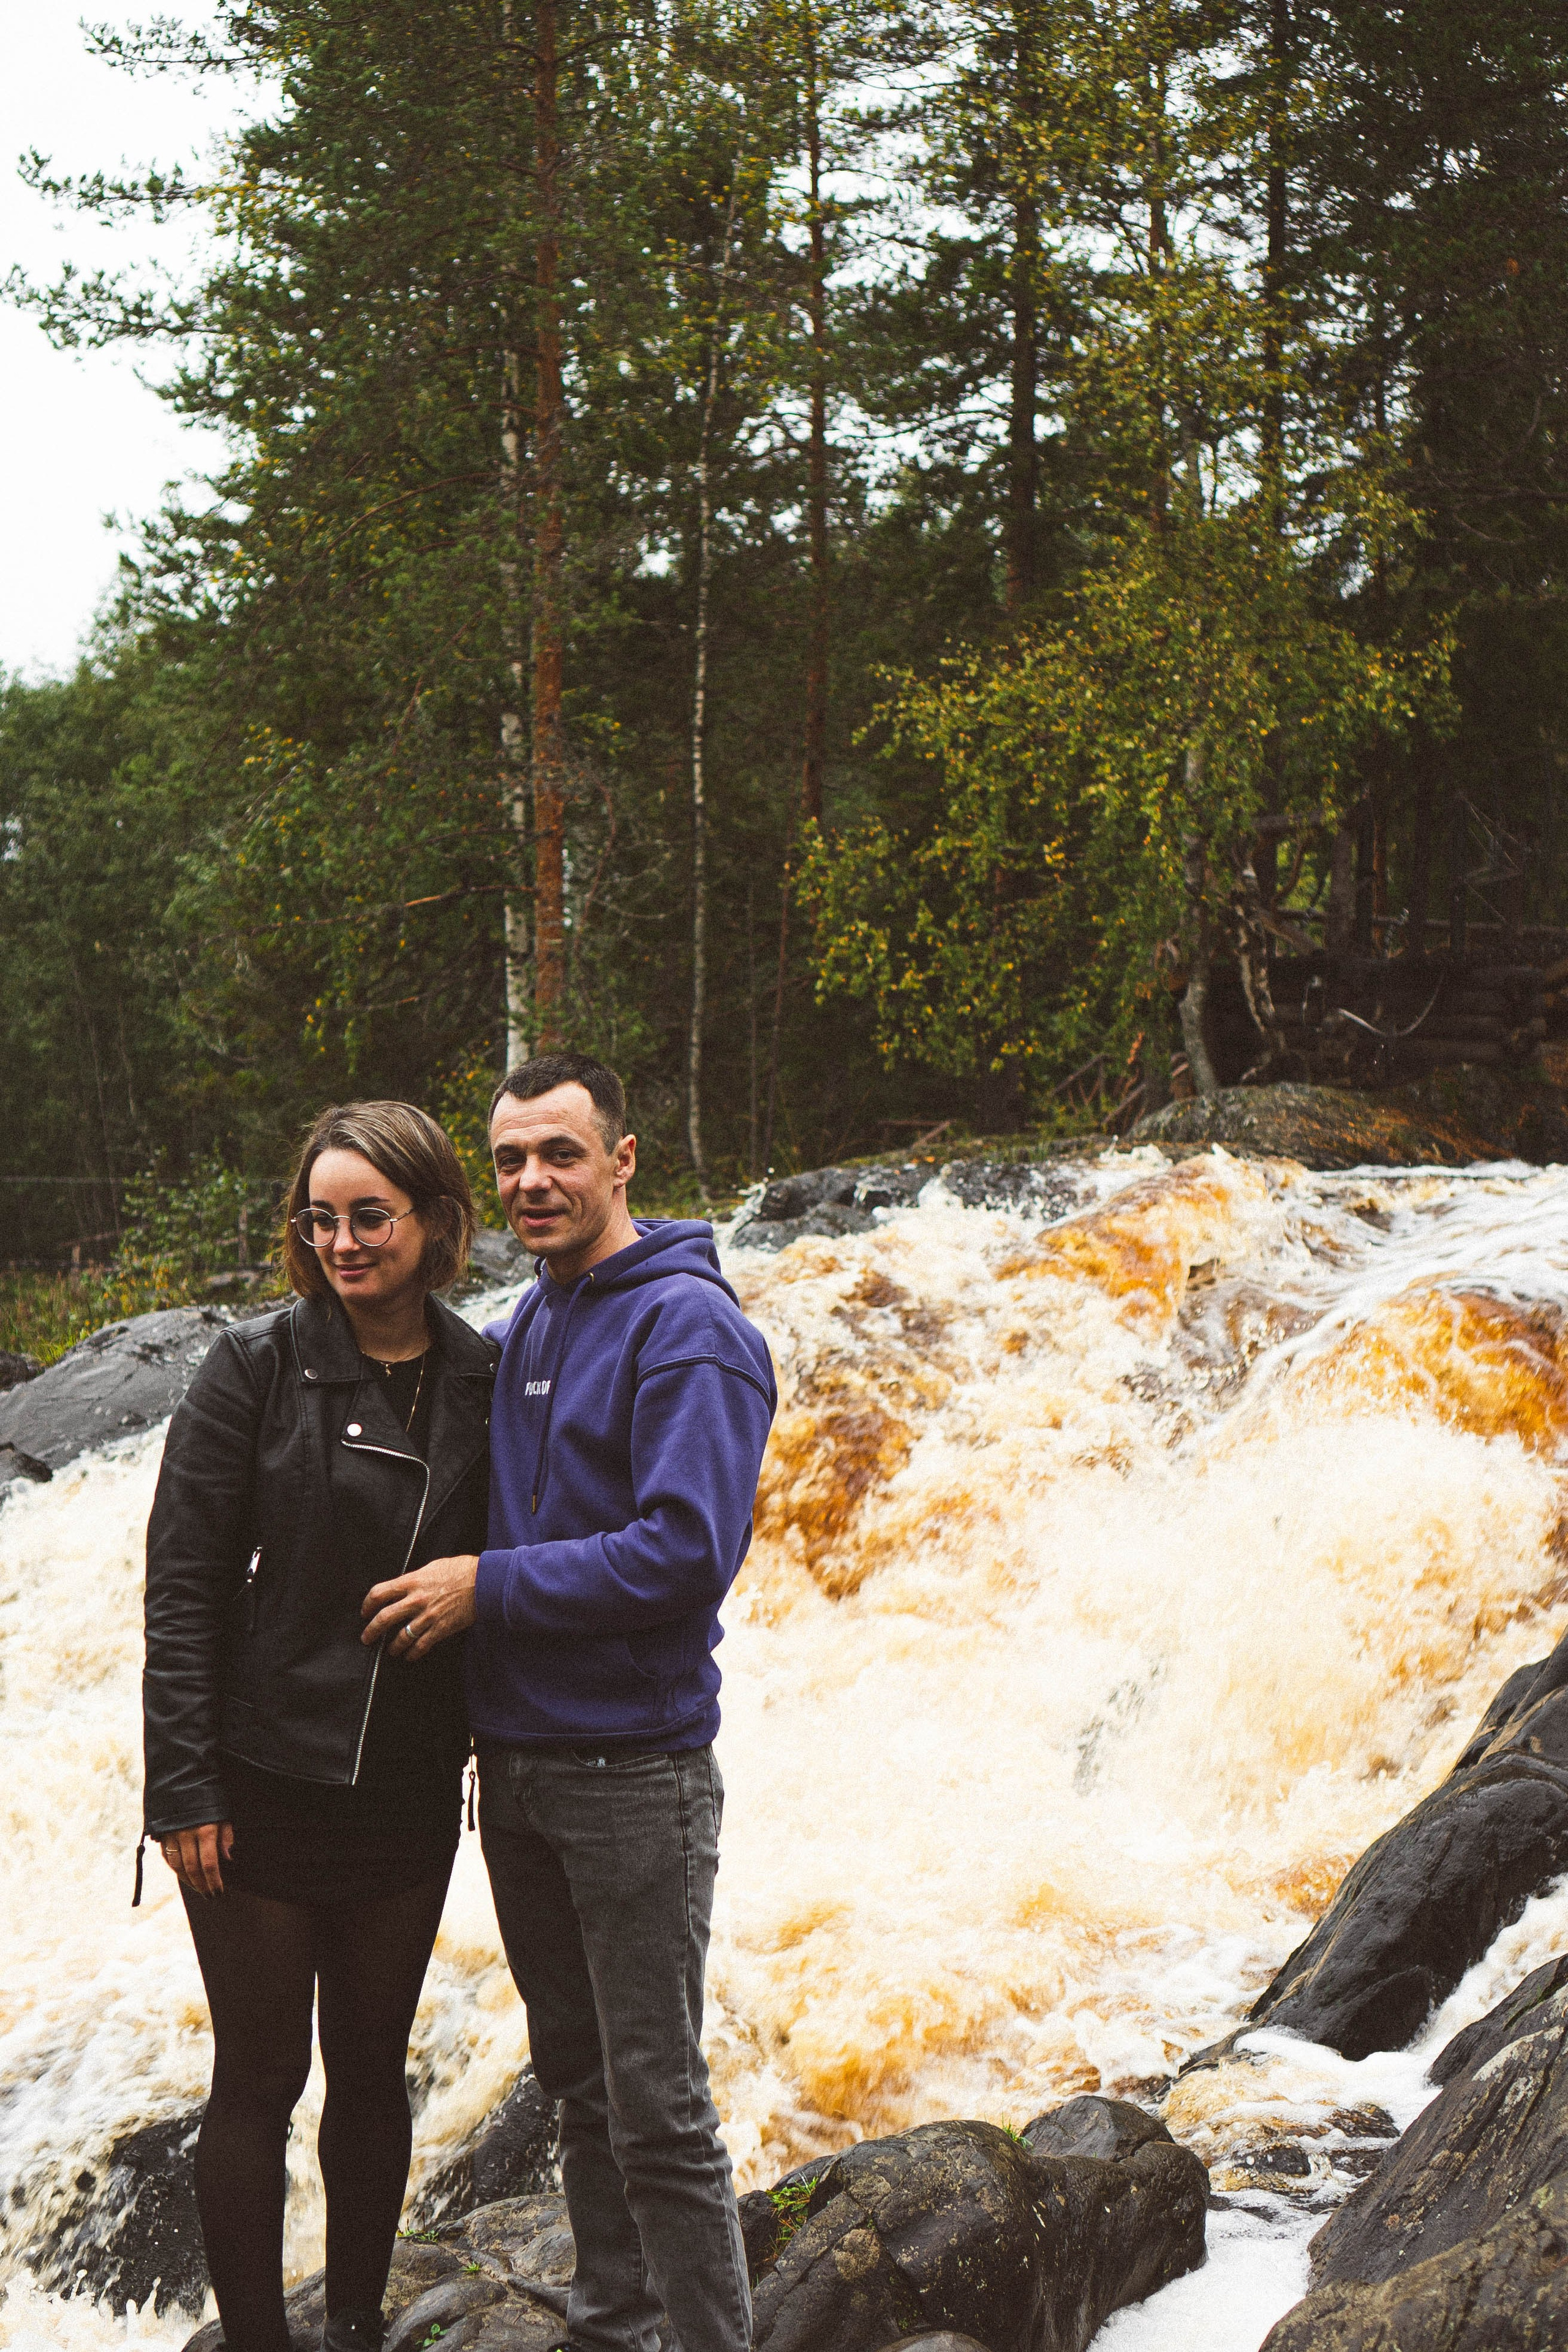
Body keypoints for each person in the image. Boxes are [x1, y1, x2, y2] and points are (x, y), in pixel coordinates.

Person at [360, 1051, 776, 2352]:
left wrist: (484, 1589)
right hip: (525, 1768)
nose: (533, 1181)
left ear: (622, 1159)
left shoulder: (688, 1330)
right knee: (579, 2087)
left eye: (559, 1154)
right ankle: (612, 2321)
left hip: (634, 1772)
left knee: (654, 2102)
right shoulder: (535, 1318)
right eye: (510, 1162)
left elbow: (683, 1549)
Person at [141, 1102, 499, 2352]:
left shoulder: (481, 1374)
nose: (342, 1241)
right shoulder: (251, 1368)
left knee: (369, 2068)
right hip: (259, 1775)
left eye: (370, 1216)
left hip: (403, 1786)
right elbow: (184, 1585)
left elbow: (517, 1562)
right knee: (259, 2079)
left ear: (436, 1220)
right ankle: (254, 2341)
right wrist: (181, 1787)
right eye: (322, 1218)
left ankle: (352, 2327)